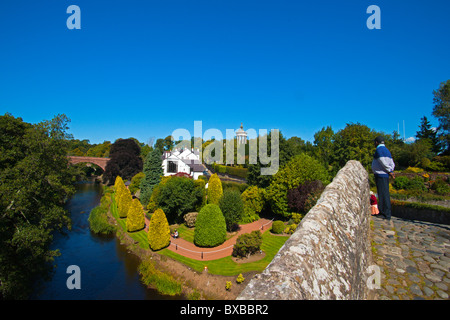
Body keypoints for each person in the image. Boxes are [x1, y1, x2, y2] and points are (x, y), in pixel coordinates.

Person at [372, 136, 395, 220]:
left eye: (375, 142)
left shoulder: (379, 150)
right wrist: (391, 169)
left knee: (383, 194)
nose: (374, 144)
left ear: (377, 142)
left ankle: (385, 214)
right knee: (384, 193)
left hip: (381, 174)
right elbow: (391, 162)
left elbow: (382, 161)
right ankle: (384, 212)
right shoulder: (387, 150)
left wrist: (389, 171)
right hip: (384, 174)